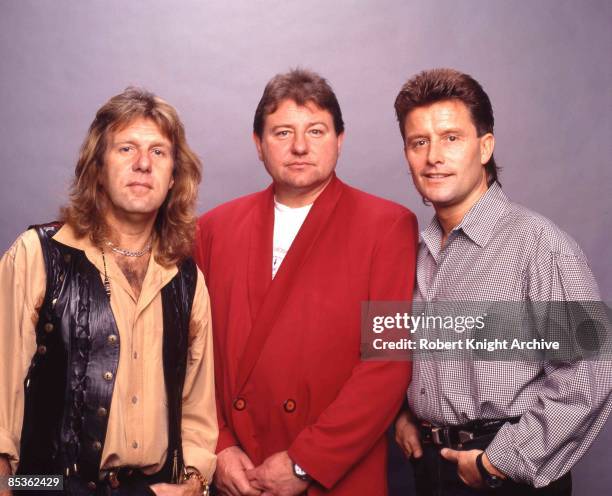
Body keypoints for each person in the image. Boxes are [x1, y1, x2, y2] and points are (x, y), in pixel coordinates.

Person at [194, 69, 418, 496]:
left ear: (340, 140)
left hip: (337, 473)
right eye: (282, 132)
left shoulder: (388, 227)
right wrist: (219, 447)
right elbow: (193, 357)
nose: (300, 146)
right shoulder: (213, 229)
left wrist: (305, 462)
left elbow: (386, 367)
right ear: (258, 144)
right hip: (239, 473)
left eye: (316, 130)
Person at [393, 68, 612, 495]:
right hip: (430, 468)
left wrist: (497, 462)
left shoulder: (540, 245)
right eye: (419, 142)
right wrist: (403, 412)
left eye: (451, 138)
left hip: (501, 472)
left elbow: (590, 373)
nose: (433, 156)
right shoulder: (415, 251)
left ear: (485, 147)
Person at [0, 88, 217, 495]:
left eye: (158, 153)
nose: (142, 164)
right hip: (45, 485)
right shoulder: (38, 254)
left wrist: (192, 484)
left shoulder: (187, 280)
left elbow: (198, 407)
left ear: (173, 177)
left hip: (149, 489)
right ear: (97, 167)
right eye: (126, 149)